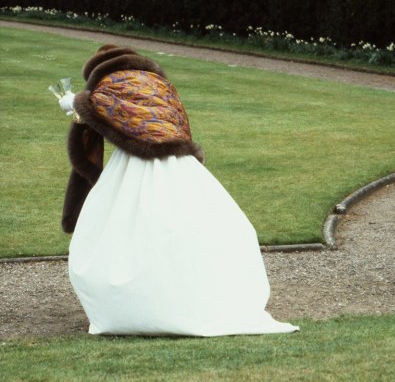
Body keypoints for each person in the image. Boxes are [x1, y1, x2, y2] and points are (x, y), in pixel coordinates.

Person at [57, 45, 299, 336]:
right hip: (181, 164)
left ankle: (141, 306)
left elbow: (94, 117)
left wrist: (74, 103)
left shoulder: (109, 86)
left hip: (133, 163)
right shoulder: (161, 86)